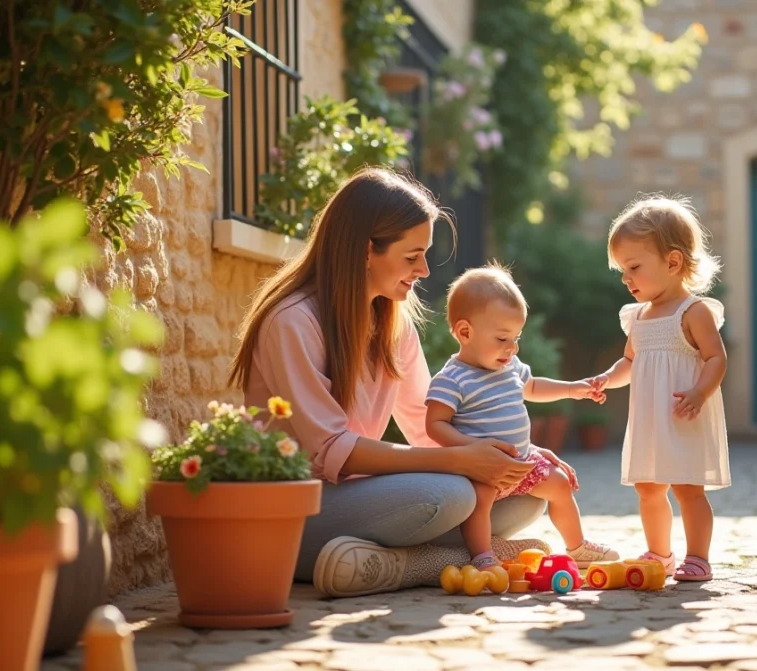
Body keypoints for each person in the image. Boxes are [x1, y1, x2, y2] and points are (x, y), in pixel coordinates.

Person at [229, 167, 549, 599]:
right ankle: (425, 563)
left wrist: (516, 457)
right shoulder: (292, 322)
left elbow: (425, 425)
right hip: (293, 511)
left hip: (361, 502)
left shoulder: (395, 326)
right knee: (451, 495)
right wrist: (462, 462)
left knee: (529, 494)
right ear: (367, 250)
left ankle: (386, 561)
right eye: (412, 256)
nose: (424, 270)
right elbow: (331, 448)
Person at [425, 264, 620, 571]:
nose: (512, 347)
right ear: (465, 332)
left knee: (560, 484)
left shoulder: (510, 366)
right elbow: (435, 425)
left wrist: (572, 389)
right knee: (479, 503)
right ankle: (482, 555)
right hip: (482, 468)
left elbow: (533, 387)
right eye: (502, 338)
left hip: (522, 461)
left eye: (516, 337)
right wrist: (469, 448)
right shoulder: (452, 379)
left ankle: (577, 546)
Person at [588, 195, 730, 582]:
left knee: (688, 490)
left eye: (634, 267)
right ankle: (660, 554)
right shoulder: (638, 317)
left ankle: (698, 557)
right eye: (622, 270)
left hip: (683, 416)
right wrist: (607, 378)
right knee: (648, 488)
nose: (626, 278)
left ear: (672, 262)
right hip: (651, 420)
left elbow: (716, 358)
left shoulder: (693, 312)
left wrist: (700, 392)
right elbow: (630, 362)